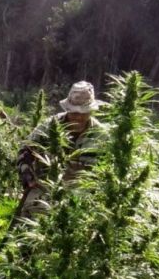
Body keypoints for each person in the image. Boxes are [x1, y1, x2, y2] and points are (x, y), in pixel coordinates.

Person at [17, 81, 108, 216]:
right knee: (27, 223)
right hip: (45, 186)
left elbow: (107, 169)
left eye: (84, 113)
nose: (79, 117)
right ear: (68, 110)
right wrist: (28, 175)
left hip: (81, 193)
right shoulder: (50, 126)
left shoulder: (101, 135)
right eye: (74, 113)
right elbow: (26, 149)